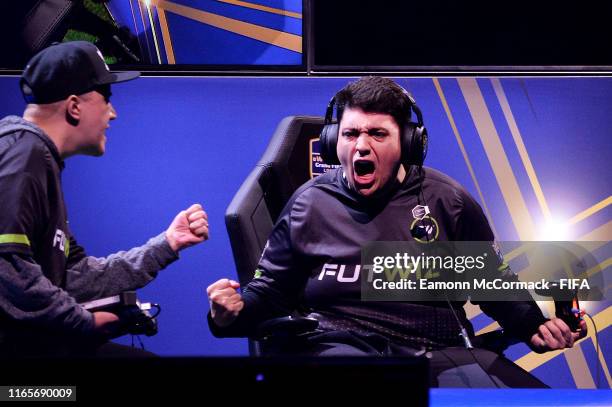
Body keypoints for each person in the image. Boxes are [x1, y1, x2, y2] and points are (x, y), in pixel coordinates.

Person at [207, 76, 587, 387]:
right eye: (351, 134)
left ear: (408, 143)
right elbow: (269, 294)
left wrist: (533, 326)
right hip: (337, 345)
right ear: (332, 140)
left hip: (435, 351)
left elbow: (490, 283)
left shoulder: (448, 201)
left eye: (377, 134)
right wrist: (229, 315)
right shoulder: (308, 204)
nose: (361, 147)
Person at [0, 41, 209, 358]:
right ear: (74, 107)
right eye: (106, 99)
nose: (113, 113)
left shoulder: (38, 159)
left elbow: (76, 276)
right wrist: (82, 321)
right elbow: (6, 266)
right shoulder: (23, 154)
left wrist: (167, 244)